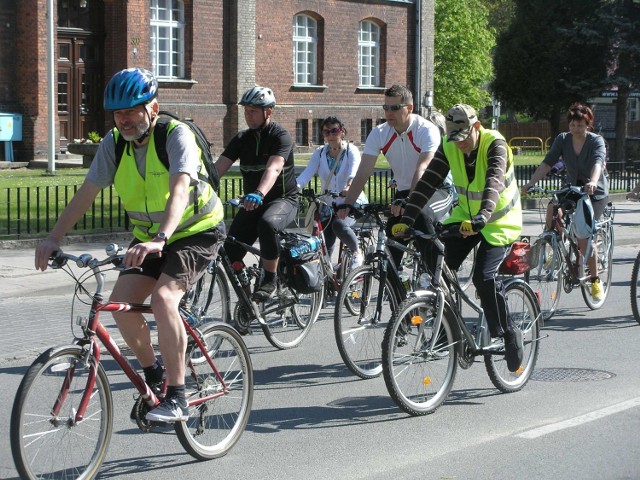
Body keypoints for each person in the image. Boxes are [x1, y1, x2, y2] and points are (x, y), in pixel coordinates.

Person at [34, 68, 225, 422]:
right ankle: (155, 375)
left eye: (131, 111)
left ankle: (179, 396)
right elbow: (86, 193)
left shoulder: (175, 135)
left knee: (164, 298)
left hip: (196, 231)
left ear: (152, 107)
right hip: (149, 238)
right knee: (121, 306)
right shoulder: (114, 143)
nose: (123, 119)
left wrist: (160, 238)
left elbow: (180, 190)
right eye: (118, 113)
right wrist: (53, 238)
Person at [392, 104, 524, 372]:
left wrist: (483, 216)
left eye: (463, 138)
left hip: (498, 220)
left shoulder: (494, 144)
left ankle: (509, 332)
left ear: (476, 127)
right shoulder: (450, 145)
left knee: (483, 277)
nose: (459, 145)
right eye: (454, 138)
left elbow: (494, 182)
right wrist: (407, 219)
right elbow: (428, 182)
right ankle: (450, 330)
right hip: (466, 216)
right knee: (437, 265)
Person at [338, 84, 453, 267]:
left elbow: (422, 170)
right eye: (386, 107)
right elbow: (363, 172)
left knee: (421, 216)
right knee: (391, 255)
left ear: (410, 108)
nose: (388, 112)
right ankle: (396, 292)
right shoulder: (379, 133)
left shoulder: (426, 129)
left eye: (395, 108)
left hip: (434, 190)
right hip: (404, 194)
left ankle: (438, 279)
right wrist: (348, 204)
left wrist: (410, 203)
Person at [214, 86, 298, 301]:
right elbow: (218, 168)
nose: (247, 115)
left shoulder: (281, 136)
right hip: (253, 203)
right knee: (229, 251)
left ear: (268, 112)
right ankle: (247, 300)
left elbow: (274, 168)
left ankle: (270, 279)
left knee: (267, 224)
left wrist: (259, 192)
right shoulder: (242, 139)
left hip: (282, 200)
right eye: (246, 110)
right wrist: (196, 188)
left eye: (253, 111)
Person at [521, 103, 609, 300]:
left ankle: (594, 280)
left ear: (588, 125)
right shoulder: (563, 139)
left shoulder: (596, 141)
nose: (575, 129)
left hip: (594, 193)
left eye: (579, 125)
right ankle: (553, 242)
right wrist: (530, 183)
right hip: (571, 188)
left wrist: (593, 181)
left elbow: (597, 162)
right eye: (572, 125)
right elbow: (548, 162)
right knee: (553, 207)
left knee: (584, 236)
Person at [296, 116, 368, 269]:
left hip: (352, 201)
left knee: (339, 225)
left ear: (342, 131)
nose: (331, 135)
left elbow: (353, 173)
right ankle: (327, 274)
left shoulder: (351, 151)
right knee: (324, 238)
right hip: (329, 204)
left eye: (334, 131)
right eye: (326, 132)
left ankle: (356, 252)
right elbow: (306, 174)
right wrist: (293, 189)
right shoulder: (320, 153)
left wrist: (349, 187)